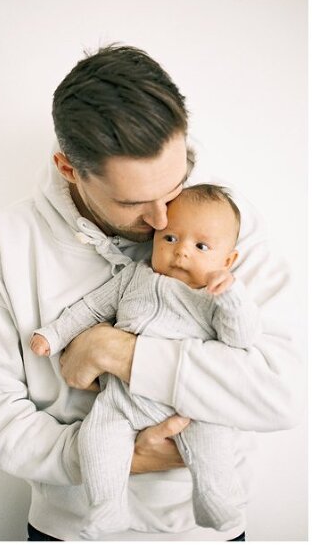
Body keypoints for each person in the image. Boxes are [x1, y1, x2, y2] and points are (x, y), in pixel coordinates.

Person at [0, 44, 300, 541]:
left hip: (204, 531)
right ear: (69, 168)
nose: (164, 221)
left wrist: (122, 352)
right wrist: (112, 457)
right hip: (71, 531)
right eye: (135, 202)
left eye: (175, 185)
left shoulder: (226, 224)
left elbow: (284, 391)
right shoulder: (11, 240)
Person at [30, 185, 258, 538]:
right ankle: (107, 506)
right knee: (96, 437)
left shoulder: (212, 297)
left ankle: (216, 501)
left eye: (201, 247)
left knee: (213, 442)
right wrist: (53, 334)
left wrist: (232, 297)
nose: (181, 251)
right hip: (123, 400)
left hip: (190, 405)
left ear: (227, 261)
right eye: (169, 238)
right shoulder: (133, 277)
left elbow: (240, 341)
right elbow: (91, 308)